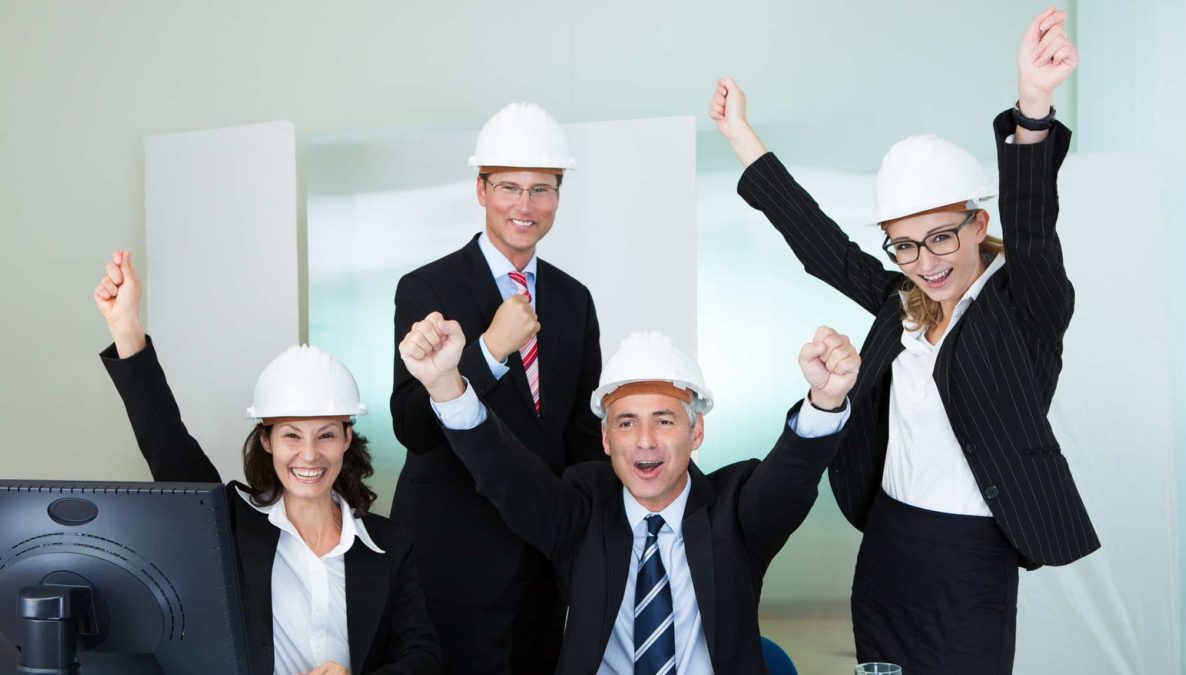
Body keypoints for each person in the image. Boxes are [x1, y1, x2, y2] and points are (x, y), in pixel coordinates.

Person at [708, 7, 1099, 673]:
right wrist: (742, 135)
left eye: (942, 235)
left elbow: (1033, 227)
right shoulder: (903, 306)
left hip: (972, 556)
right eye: (904, 243)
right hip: (889, 545)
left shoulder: (1028, 308)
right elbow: (821, 245)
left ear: (978, 222)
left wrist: (1034, 107)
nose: (925, 259)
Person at [399, 313, 859, 674]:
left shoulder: (734, 510)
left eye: (664, 420)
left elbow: (789, 478)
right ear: (606, 441)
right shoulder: (581, 510)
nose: (644, 441)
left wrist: (826, 402)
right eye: (626, 422)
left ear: (695, 433)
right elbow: (506, 475)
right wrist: (445, 385)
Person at [93, 250, 441, 675]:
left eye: (326, 435)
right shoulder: (231, 527)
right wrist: (127, 329)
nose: (309, 454)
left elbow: (422, 658)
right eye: (291, 435)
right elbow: (167, 444)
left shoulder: (388, 545)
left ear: (348, 439)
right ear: (267, 441)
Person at [389, 102, 604, 674]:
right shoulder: (425, 287)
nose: (525, 206)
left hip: (543, 564)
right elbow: (410, 427)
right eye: (509, 186)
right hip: (452, 561)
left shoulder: (573, 300)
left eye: (542, 189)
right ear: (480, 189)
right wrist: (488, 351)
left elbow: (580, 437)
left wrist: (588, 540)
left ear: (559, 196)